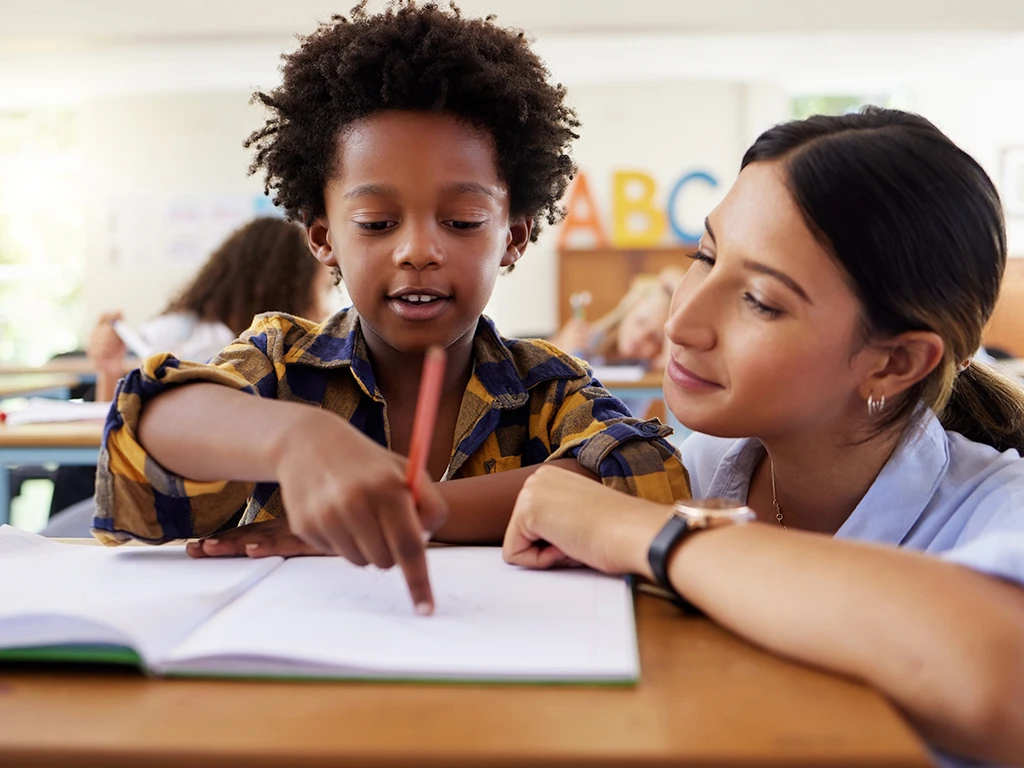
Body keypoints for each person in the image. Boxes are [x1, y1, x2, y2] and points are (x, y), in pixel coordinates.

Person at [91, 3, 688, 614]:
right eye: (376, 223)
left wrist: (419, 508)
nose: (419, 251)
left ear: (512, 237)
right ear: (323, 238)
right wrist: (294, 438)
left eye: (462, 221)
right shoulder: (282, 366)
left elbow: (650, 478)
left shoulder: (547, 388)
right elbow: (142, 447)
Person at [500, 108, 1024, 767]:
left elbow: (997, 673)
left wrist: (641, 534)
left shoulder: (999, 507)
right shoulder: (708, 462)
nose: (682, 320)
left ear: (892, 363)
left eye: (761, 301)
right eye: (705, 255)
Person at [87, 216, 338, 401]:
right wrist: (108, 374)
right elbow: (115, 431)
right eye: (323, 290)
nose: (326, 309)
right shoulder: (176, 334)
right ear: (286, 290)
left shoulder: (294, 362)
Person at [548, 267, 685, 370]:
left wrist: (678, 297)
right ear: (629, 309)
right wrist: (560, 354)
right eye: (640, 321)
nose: (639, 337)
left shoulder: (646, 366)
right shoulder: (583, 340)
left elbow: (671, 363)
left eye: (654, 338)